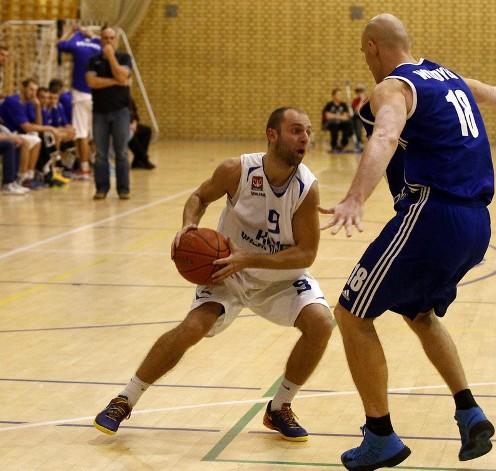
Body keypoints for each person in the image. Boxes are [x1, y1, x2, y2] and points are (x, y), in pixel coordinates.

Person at [319, 14, 496, 471]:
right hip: (478, 223)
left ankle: (381, 436)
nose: (366, 60)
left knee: (351, 314)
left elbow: (385, 133)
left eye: (364, 52)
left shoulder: (393, 88)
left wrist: (355, 197)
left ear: (375, 47)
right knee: (420, 315)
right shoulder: (449, 78)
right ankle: (469, 411)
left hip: (432, 214)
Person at [93, 107, 334, 442]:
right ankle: (125, 398)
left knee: (321, 323)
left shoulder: (306, 187)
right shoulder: (237, 170)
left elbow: (307, 253)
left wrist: (248, 258)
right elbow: (198, 197)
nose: (305, 138)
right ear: (272, 135)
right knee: (192, 327)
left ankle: (279, 407)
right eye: (296, 130)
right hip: (227, 273)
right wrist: (189, 225)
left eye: (308, 131)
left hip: (278, 277)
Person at [86, 26, 132, 200]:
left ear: (116, 40)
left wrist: (111, 57)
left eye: (111, 38)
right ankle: (101, 188)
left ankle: (123, 189)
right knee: (100, 154)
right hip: (100, 112)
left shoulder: (124, 58)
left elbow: (123, 76)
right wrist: (116, 80)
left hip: (120, 111)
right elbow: (92, 81)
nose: (108, 41)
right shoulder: (93, 61)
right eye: (105, 38)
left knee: (122, 152)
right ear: (100, 40)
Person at [57, 22, 102, 180]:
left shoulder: (76, 42)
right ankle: (100, 166)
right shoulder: (98, 44)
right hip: (98, 94)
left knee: (81, 133)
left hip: (81, 93)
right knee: (95, 133)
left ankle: (84, 169)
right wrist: (91, 35)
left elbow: (60, 44)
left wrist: (70, 30)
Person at [0, 78, 63, 188]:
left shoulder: (29, 103)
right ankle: (20, 178)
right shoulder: (14, 101)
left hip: (15, 132)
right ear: (23, 88)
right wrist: (50, 128)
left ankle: (30, 176)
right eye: (30, 89)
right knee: (26, 141)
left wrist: (38, 107)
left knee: (37, 140)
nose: (33, 93)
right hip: (5, 130)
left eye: (35, 90)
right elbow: (28, 127)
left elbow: (37, 124)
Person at [322, 88, 353, 152]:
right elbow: (328, 116)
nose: (341, 96)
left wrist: (334, 116)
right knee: (334, 124)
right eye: (338, 94)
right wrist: (340, 116)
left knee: (347, 123)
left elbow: (346, 117)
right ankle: (334, 145)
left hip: (342, 123)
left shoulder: (343, 105)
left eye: (341, 94)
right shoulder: (329, 105)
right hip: (331, 123)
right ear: (334, 96)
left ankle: (343, 143)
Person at [129, 98, 155, 169]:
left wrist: (134, 122)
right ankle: (144, 159)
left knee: (147, 131)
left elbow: (134, 112)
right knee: (130, 135)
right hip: (122, 126)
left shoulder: (129, 99)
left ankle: (137, 161)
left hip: (131, 124)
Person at [351, 83, 368, 149]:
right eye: (357, 91)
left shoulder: (368, 99)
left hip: (367, 117)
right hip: (359, 118)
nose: (359, 93)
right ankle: (359, 142)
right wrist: (361, 100)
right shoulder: (355, 101)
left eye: (361, 91)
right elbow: (357, 111)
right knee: (356, 123)